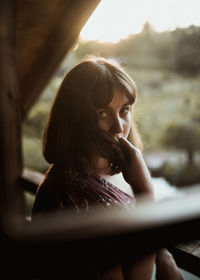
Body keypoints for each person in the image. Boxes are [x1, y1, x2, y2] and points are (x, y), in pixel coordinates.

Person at [32, 56, 183, 280]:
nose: (118, 127)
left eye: (124, 110)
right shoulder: (66, 195)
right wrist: (145, 193)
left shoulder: (122, 171)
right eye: (102, 113)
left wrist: (163, 254)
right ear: (74, 119)